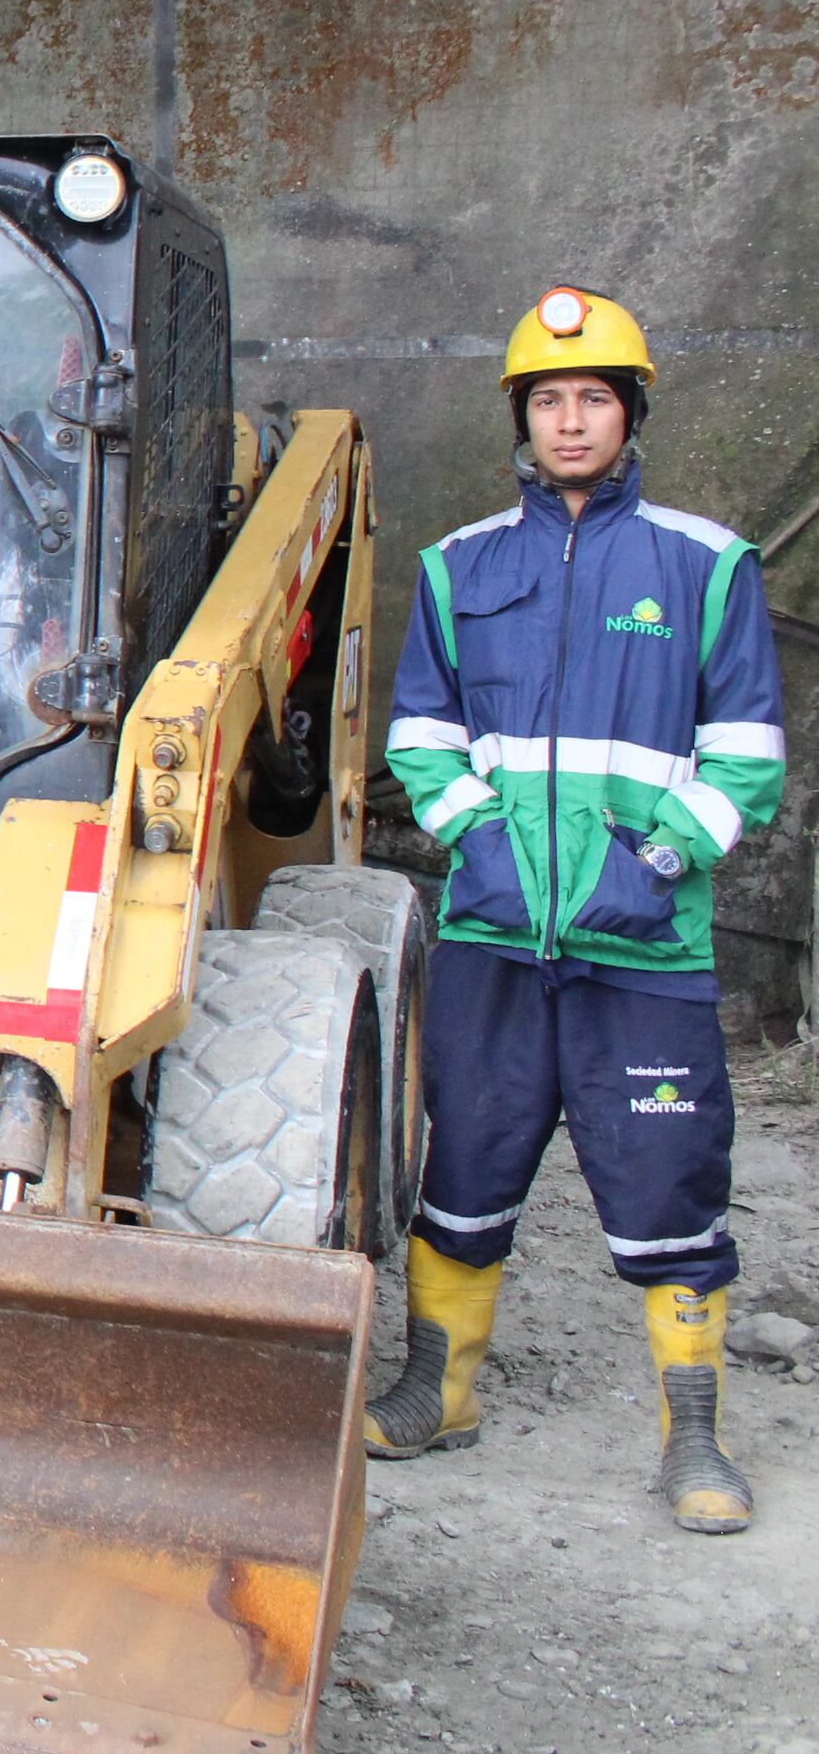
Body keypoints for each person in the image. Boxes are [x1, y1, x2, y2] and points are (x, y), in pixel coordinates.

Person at [374, 287, 784, 1532]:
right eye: (547, 400)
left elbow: (748, 752)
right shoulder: (457, 569)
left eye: (592, 398)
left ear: (630, 412)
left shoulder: (704, 566)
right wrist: (482, 848)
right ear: (521, 416)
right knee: (468, 1164)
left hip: (644, 947)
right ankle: (439, 1393)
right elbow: (423, 741)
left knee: (667, 1174)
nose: (569, 421)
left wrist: (652, 868)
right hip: (498, 941)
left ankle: (694, 1436)